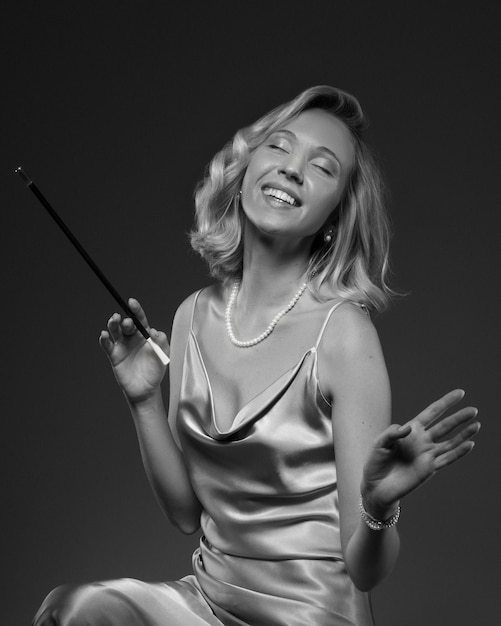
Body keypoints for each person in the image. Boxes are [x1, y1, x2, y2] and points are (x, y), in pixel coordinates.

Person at [33, 85, 480, 626]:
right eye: (279, 147)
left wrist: (378, 507)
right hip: (208, 600)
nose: (292, 170)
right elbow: (184, 514)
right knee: (76, 610)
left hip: (311, 613)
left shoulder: (344, 335)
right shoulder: (192, 316)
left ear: (335, 216)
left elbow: (365, 572)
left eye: (322, 167)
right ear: (244, 169)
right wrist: (144, 398)